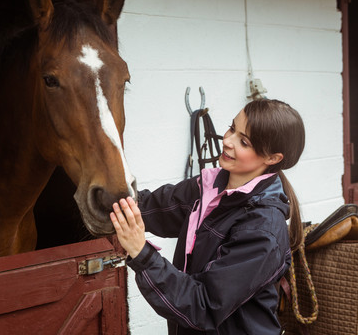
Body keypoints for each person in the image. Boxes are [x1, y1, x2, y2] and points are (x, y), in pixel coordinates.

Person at [110, 98, 305, 335]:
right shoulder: (207, 188)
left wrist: (142, 254)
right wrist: (106, 193)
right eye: (232, 128)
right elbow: (153, 207)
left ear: (272, 158)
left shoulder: (261, 229)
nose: (228, 141)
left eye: (243, 141)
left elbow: (203, 305)